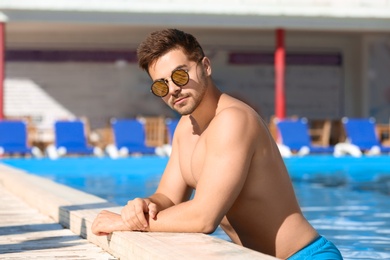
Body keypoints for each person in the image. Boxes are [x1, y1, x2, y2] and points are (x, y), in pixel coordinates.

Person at [92, 28, 343, 259]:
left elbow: (204, 218)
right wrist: (144, 207)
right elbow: (168, 197)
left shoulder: (233, 120)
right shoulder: (185, 128)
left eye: (180, 75)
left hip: (304, 256)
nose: (173, 90)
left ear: (206, 66)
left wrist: (126, 223)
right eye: (161, 85)